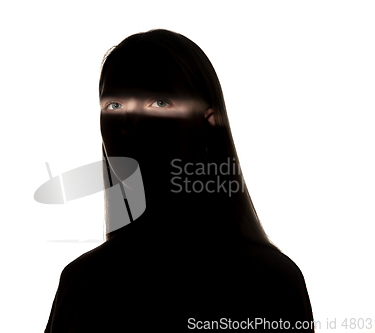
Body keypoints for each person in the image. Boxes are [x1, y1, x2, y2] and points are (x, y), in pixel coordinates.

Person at [44, 29, 315, 332]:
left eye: (159, 102)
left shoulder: (270, 283)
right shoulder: (83, 283)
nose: (129, 124)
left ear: (208, 123)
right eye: (114, 105)